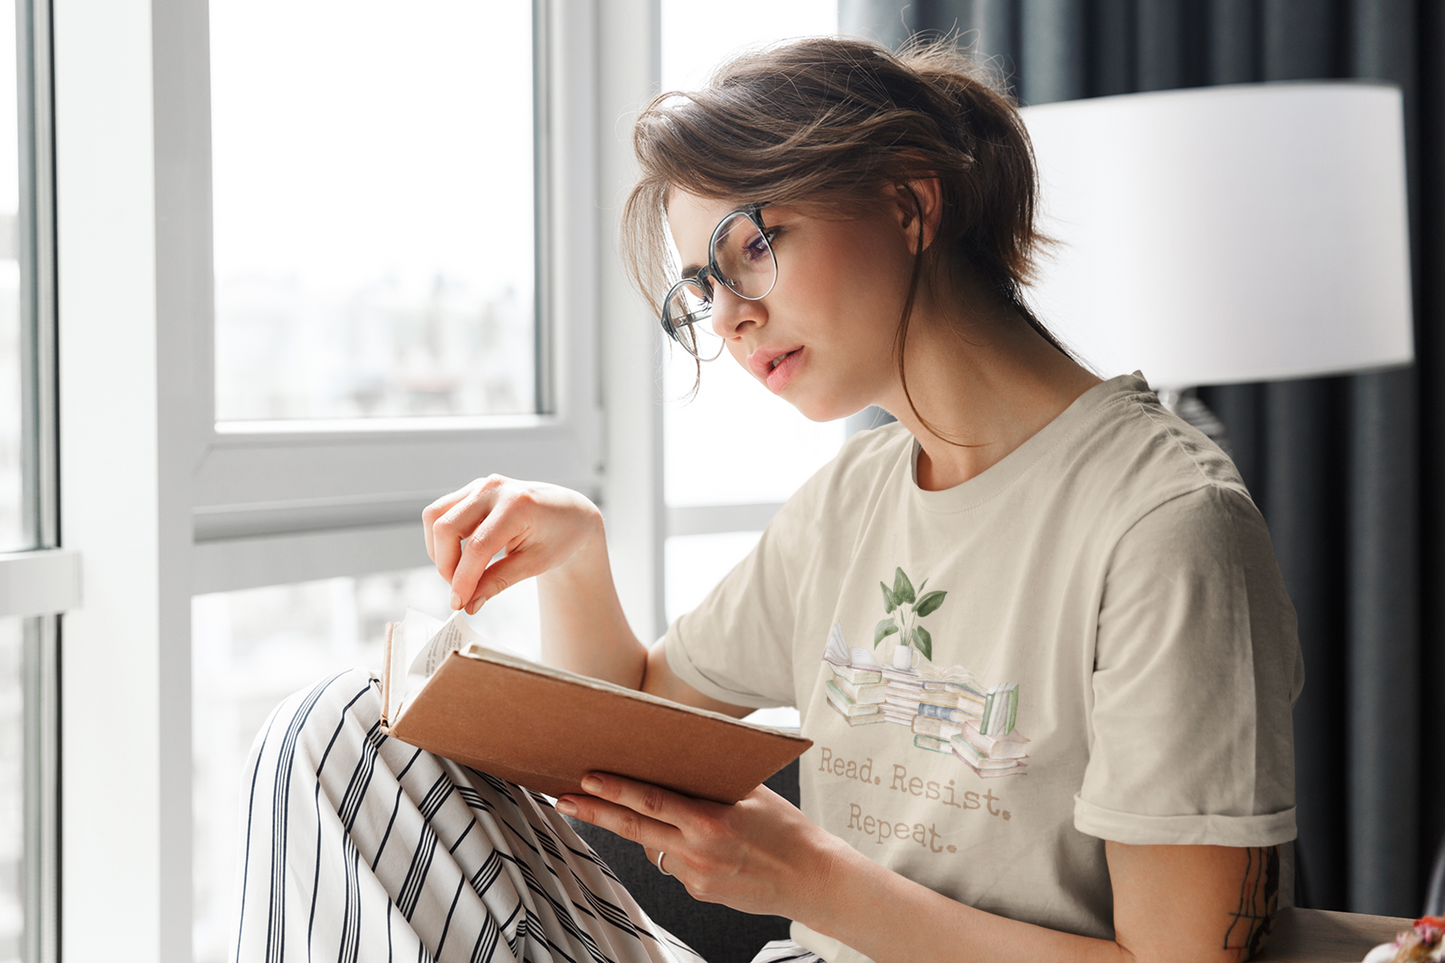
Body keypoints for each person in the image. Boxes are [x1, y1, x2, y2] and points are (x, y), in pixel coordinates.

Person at [232, 37, 1303, 963]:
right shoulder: (850, 498)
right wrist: (577, 557)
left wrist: (812, 882)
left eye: (753, 246)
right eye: (702, 287)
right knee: (337, 730)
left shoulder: (1162, 526)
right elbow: (637, 733)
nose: (732, 319)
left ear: (906, 200)